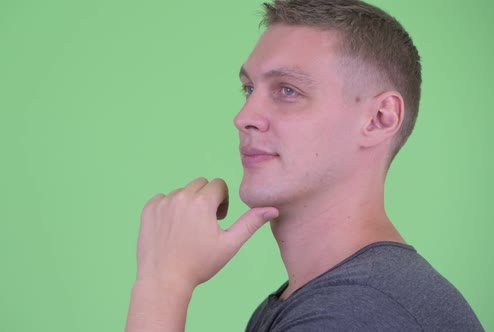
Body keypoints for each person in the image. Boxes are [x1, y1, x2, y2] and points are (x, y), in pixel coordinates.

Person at [125, 0, 484, 331]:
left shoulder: (356, 313)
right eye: (249, 89)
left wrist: (162, 285)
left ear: (378, 118)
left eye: (288, 90)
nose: (244, 117)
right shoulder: (325, 301)